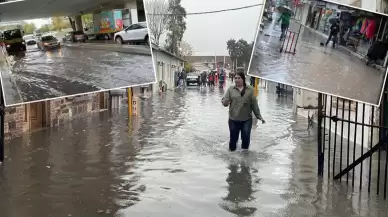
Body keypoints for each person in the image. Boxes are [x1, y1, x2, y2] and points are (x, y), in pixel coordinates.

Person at [221, 72, 266, 152]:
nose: (237, 80)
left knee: (245, 139)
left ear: (243, 79)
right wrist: (225, 102)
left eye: (239, 78)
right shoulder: (231, 89)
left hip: (246, 120)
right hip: (233, 119)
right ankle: (232, 159)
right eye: (236, 78)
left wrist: (259, 117)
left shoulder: (250, 89)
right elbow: (224, 101)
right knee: (233, 140)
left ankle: (245, 159)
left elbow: (254, 105)